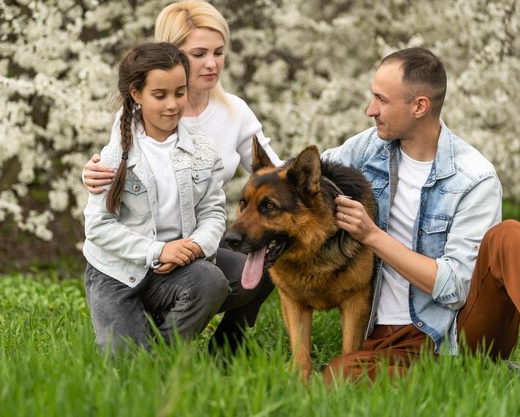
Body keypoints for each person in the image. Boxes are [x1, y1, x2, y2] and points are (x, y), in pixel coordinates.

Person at [83, 0, 282, 352]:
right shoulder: (133, 122)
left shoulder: (233, 112)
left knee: (255, 263)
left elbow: (273, 175)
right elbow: (107, 200)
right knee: (129, 366)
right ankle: (147, 324)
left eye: (219, 52)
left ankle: (225, 346)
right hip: (136, 250)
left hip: (198, 243)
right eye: (199, 53)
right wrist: (92, 174)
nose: (211, 63)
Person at [321, 47, 520, 384]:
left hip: (459, 331)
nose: (371, 110)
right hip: (388, 339)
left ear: (419, 106)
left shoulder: (473, 177)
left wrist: (371, 235)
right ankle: (461, 381)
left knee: (509, 235)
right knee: (338, 379)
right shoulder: (367, 148)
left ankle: (468, 368)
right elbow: (304, 177)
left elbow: (456, 288)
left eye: (382, 100)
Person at [83, 42, 231, 353]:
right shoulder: (114, 156)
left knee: (212, 281)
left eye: (179, 92)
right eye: (160, 96)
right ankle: (135, 338)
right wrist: (157, 250)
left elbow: (214, 212)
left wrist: (194, 246)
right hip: (116, 272)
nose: (172, 105)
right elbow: (97, 227)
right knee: (127, 367)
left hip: (173, 269)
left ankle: (164, 352)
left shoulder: (203, 151)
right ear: (137, 94)